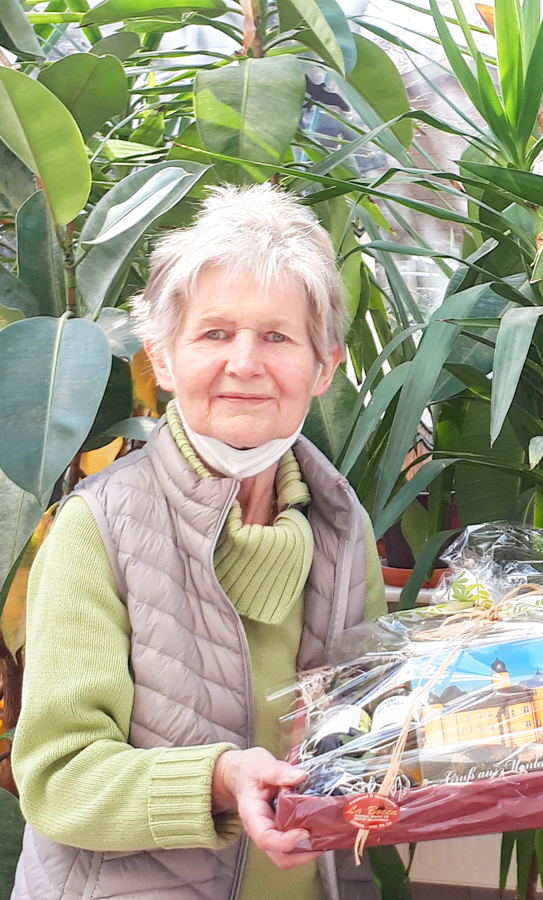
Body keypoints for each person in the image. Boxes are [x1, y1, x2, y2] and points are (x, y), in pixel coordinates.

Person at [11, 184, 386, 900]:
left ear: (325, 365)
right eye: (214, 333)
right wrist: (218, 780)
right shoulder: (99, 528)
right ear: (163, 356)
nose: (245, 362)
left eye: (277, 336)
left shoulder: (343, 526)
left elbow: (364, 730)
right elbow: (58, 779)